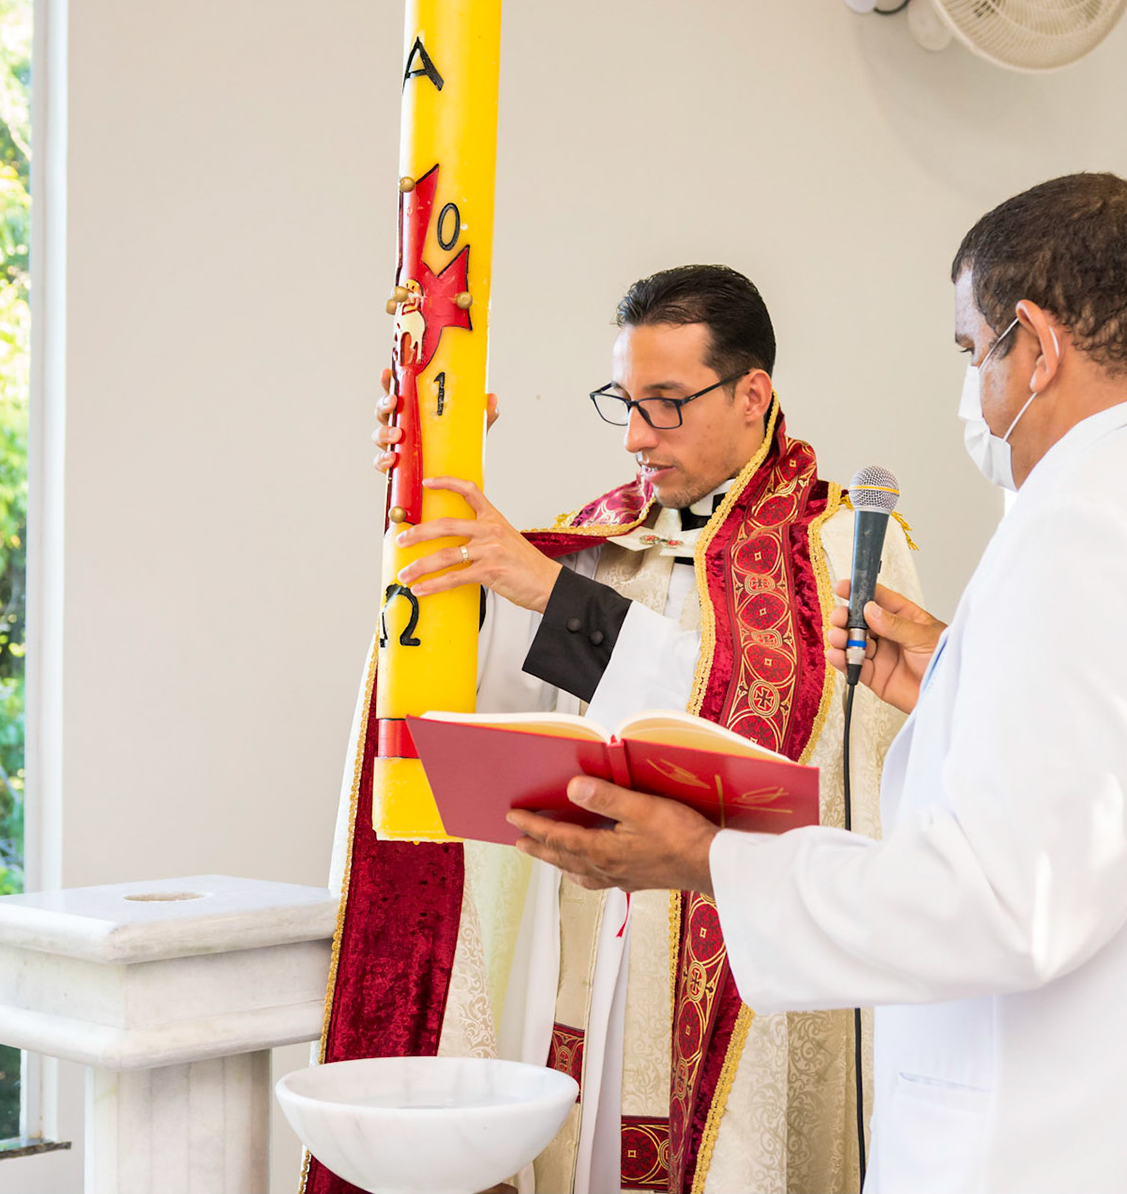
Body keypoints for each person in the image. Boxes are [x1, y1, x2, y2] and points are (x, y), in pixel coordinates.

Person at [510, 176, 1127, 1193]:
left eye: (974, 351)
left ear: (1037, 345)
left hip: (1090, 1144)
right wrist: (970, 686)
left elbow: (1000, 901)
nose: (973, 390)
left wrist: (709, 860)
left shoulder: (1084, 528)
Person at [308, 265, 922, 1194]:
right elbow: (496, 703)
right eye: (624, 403)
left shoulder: (842, 544)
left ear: (752, 394)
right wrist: (434, 501)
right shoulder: (602, 538)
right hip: (596, 960)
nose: (636, 436)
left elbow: (769, 729)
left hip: (748, 971)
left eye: (665, 404)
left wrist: (554, 597)